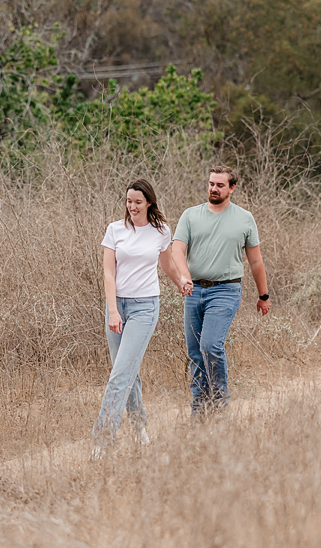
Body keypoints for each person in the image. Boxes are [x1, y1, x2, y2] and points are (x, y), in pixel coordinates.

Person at [92, 179, 189, 451]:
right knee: (126, 372)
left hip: (145, 307)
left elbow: (167, 264)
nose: (132, 207)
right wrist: (113, 311)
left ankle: (102, 442)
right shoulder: (114, 230)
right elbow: (108, 273)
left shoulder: (160, 232)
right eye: (128, 201)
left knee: (120, 374)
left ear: (148, 202)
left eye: (137, 202)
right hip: (117, 307)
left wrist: (181, 282)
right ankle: (139, 429)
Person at [172, 166, 270, 414]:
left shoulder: (244, 218)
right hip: (194, 290)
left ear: (232, 188)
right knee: (195, 351)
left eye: (220, 185)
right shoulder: (191, 216)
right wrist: (183, 277)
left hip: (226, 290)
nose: (213, 189)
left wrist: (263, 295)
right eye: (211, 184)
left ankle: (220, 404)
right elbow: (177, 250)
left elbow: (256, 261)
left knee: (210, 344)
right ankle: (199, 410)